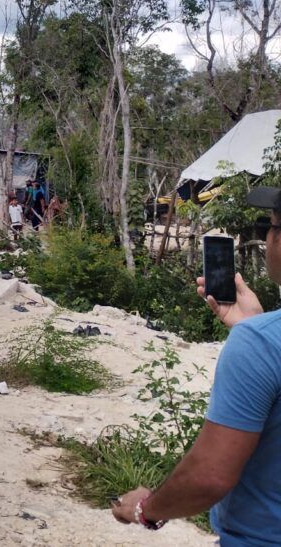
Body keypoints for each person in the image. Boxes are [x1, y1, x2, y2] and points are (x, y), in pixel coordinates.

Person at [111, 186, 281, 542]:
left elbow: (209, 477)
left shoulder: (261, 345)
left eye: (272, 226)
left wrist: (146, 509)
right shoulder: (263, 340)